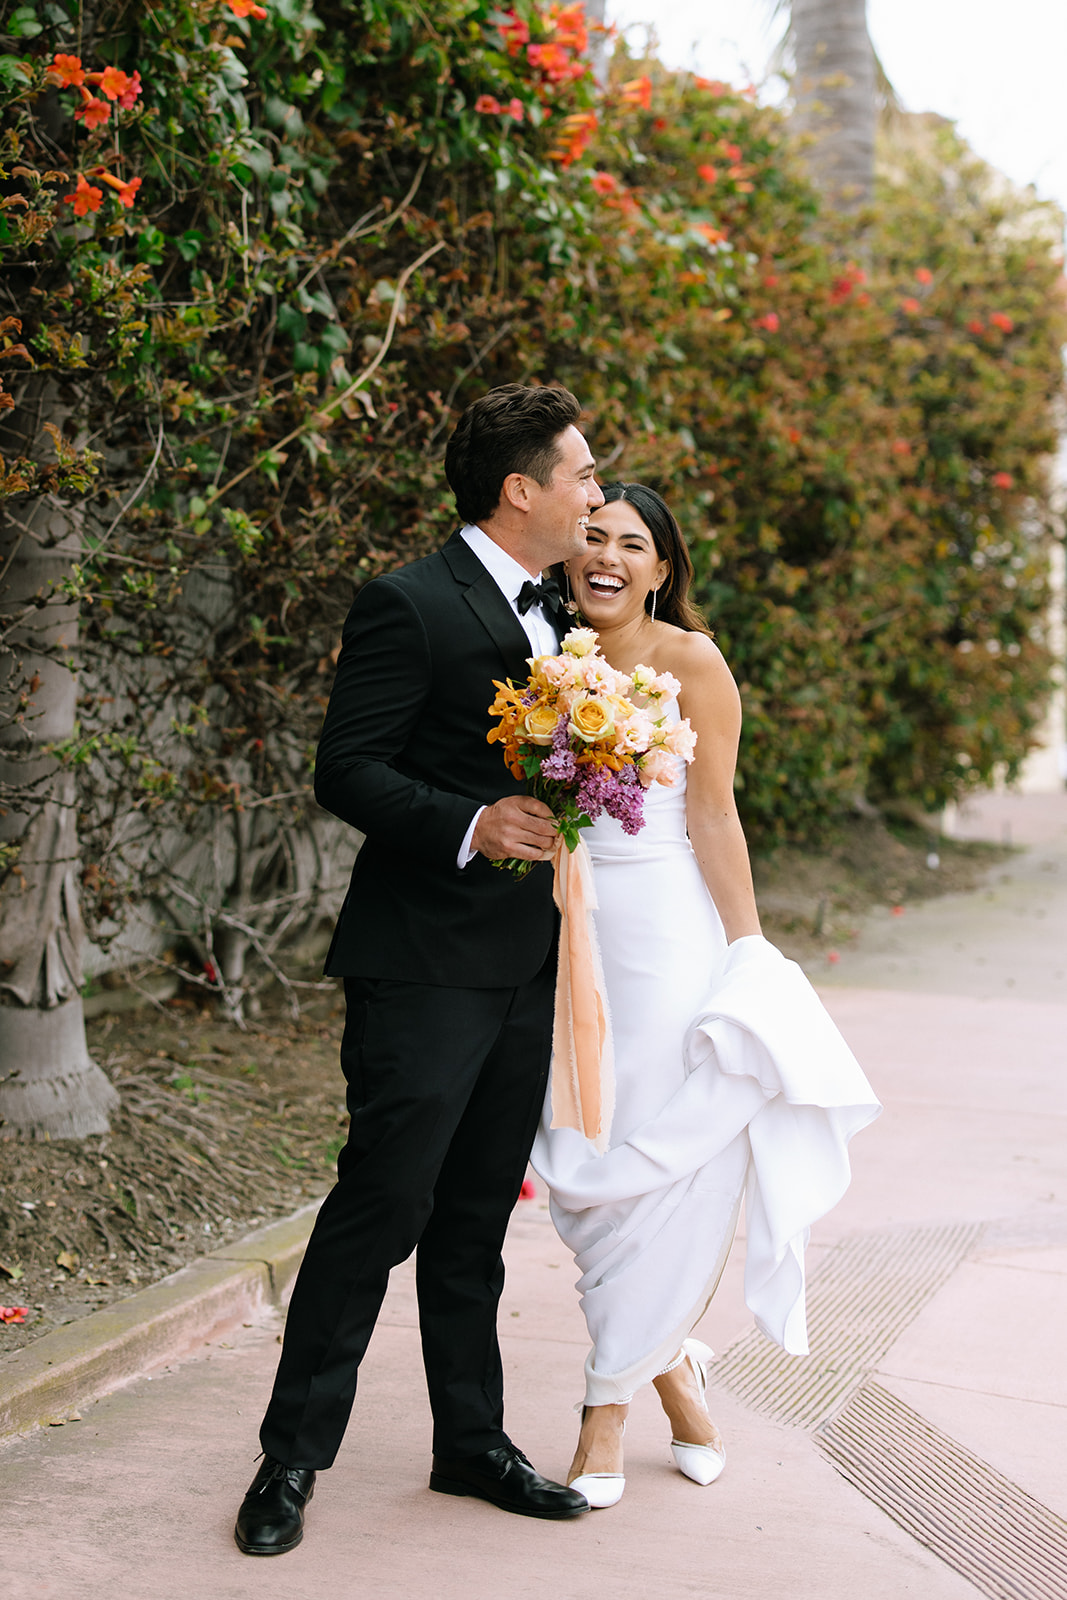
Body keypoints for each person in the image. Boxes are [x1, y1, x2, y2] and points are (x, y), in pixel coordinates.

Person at [233, 384, 604, 1556]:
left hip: (526, 963)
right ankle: (289, 1458)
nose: (595, 494)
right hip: (421, 960)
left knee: (476, 1219)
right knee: (379, 1206)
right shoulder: (407, 601)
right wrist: (469, 821)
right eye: (582, 475)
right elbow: (346, 769)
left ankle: (470, 1442)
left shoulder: (570, 619)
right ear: (520, 488)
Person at [532, 483, 880, 1508]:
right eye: (590, 536)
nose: (605, 555)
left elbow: (715, 818)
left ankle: (603, 1406)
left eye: (629, 543)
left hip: (671, 938)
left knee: (673, 1164)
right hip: (568, 931)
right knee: (586, 1169)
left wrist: (748, 953)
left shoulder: (693, 662)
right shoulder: (539, 658)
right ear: (565, 553)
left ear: (660, 567)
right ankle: (674, 1369)